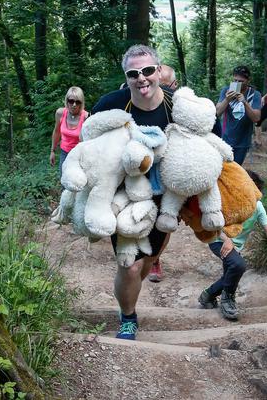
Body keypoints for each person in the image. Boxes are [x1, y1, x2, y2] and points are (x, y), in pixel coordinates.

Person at [92, 45, 174, 340]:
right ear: (126, 78)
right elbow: (89, 143)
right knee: (130, 266)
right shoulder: (111, 105)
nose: (142, 78)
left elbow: (204, 140)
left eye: (148, 71)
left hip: (164, 202)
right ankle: (128, 317)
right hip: (123, 198)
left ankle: (132, 290)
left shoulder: (176, 107)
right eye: (133, 73)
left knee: (148, 261)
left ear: (159, 71)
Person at [198, 170, 267, 320]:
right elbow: (213, 223)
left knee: (230, 275)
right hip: (218, 241)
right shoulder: (228, 201)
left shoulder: (258, 207)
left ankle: (207, 295)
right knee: (238, 265)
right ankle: (227, 301)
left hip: (235, 247)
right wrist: (227, 239)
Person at [146, 64, 178, 283]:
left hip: (171, 172)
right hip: (144, 169)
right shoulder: (143, 99)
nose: (163, 91)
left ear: (174, 85)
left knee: (166, 219)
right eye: (161, 86)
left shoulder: (180, 104)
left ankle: (155, 258)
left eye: (168, 87)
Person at [215, 65, 262, 165]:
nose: (237, 83)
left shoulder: (255, 94)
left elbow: (256, 118)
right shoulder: (226, 90)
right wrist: (227, 99)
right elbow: (217, 113)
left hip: (243, 141)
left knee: (236, 168)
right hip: (225, 138)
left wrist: (245, 102)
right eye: (235, 80)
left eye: (241, 81)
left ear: (248, 80)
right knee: (223, 168)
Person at [50, 86, 89, 175]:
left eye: (78, 102)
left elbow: (89, 141)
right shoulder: (60, 113)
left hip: (80, 155)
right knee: (64, 181)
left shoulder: (86, 117)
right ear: (67, 101)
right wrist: (52, 151)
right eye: (71, 101)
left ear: (81, 103)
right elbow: (57, 132)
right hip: (64, 153)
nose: (74, 105)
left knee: (79, 183)